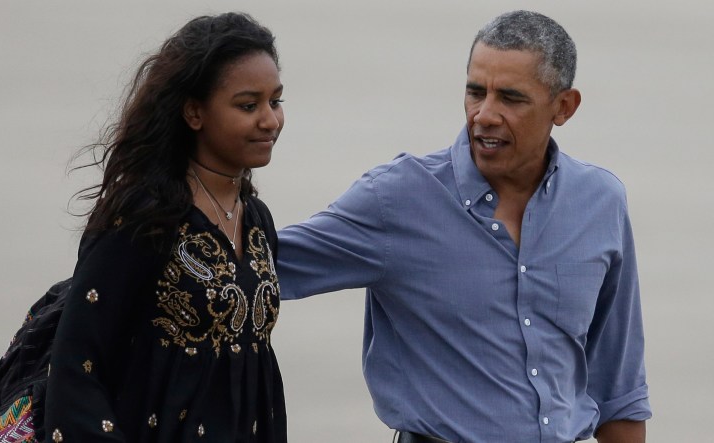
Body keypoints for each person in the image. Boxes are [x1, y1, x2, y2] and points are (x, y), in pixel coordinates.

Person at [277, 10, 650, 443]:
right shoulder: (397, 197)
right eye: (476, 92)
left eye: (511, 98)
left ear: (563, 106)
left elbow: (619, 391)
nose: (484, 115)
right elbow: (256, 266)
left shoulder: (600, 202)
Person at [45, 12, 287, 442]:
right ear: (194, 112)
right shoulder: (145, 216)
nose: (270, 120)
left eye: (276, 101)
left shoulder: (257, 220)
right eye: (248, 106)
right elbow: (77, 364)